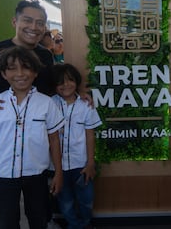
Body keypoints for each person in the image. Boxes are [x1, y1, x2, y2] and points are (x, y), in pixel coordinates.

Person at [0, 46, 64, 229]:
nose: (20, 73)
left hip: (37, 175)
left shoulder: (46, 104)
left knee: (39, 220)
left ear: (35, 72)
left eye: (26, 67)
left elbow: (54, 140)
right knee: (6, 222)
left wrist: (58, 173)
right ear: (3, 74)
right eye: (12, 68)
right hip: (3, 175)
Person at [0, 0, 54, 116]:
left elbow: (52, 89)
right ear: (14, 22)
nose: (34, 27)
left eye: (40, 23)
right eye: (27, 21)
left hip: (40, 124)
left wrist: (82, 97)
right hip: (4, 123)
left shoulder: (46, 55)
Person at [51, 63, 102, 229]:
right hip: (58, 167)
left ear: (77, 81)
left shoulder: (86, 105)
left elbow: (90, 135)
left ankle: (86, 224)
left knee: (86, 200)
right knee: (65, 202)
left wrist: (90, 163)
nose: (66, 85)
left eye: (70, 80)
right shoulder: (49, 104)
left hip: (81, 165)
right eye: (60, 82)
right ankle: (74, 225)